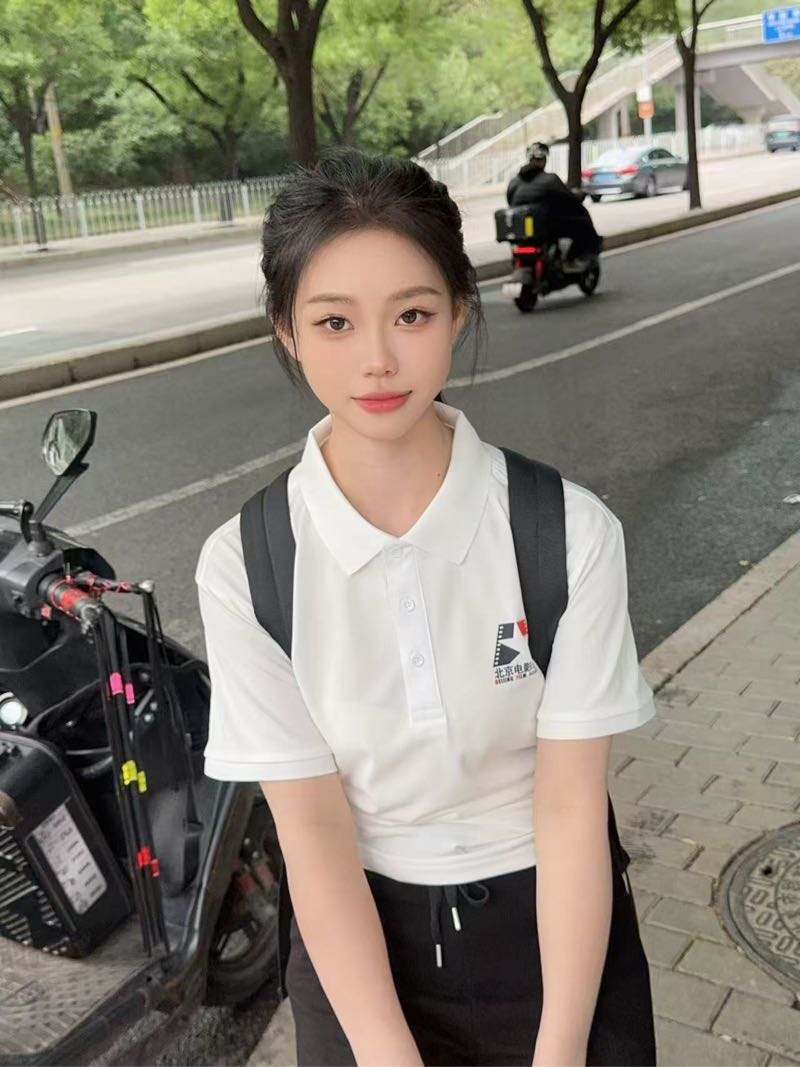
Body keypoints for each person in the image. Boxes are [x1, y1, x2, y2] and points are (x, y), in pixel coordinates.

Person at [195, 147, 657, 1067]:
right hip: (358, 946)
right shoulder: (246, 565)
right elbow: (313, 833)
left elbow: (571, 807)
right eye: (334, 322)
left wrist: (560, 1049)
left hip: (557, 931)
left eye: (411, 314)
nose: (377, 360)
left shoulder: (567, 531)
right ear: (287, 330)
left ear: (460, 310)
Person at [506, 141, 602, 270]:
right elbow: (569, 198)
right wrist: (579, 195)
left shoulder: (514, 182)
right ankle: (572, 259)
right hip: (546, 228)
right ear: (544, 160)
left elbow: (510, 200)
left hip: (523, 230)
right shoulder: (550, 179)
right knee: (582, 223)